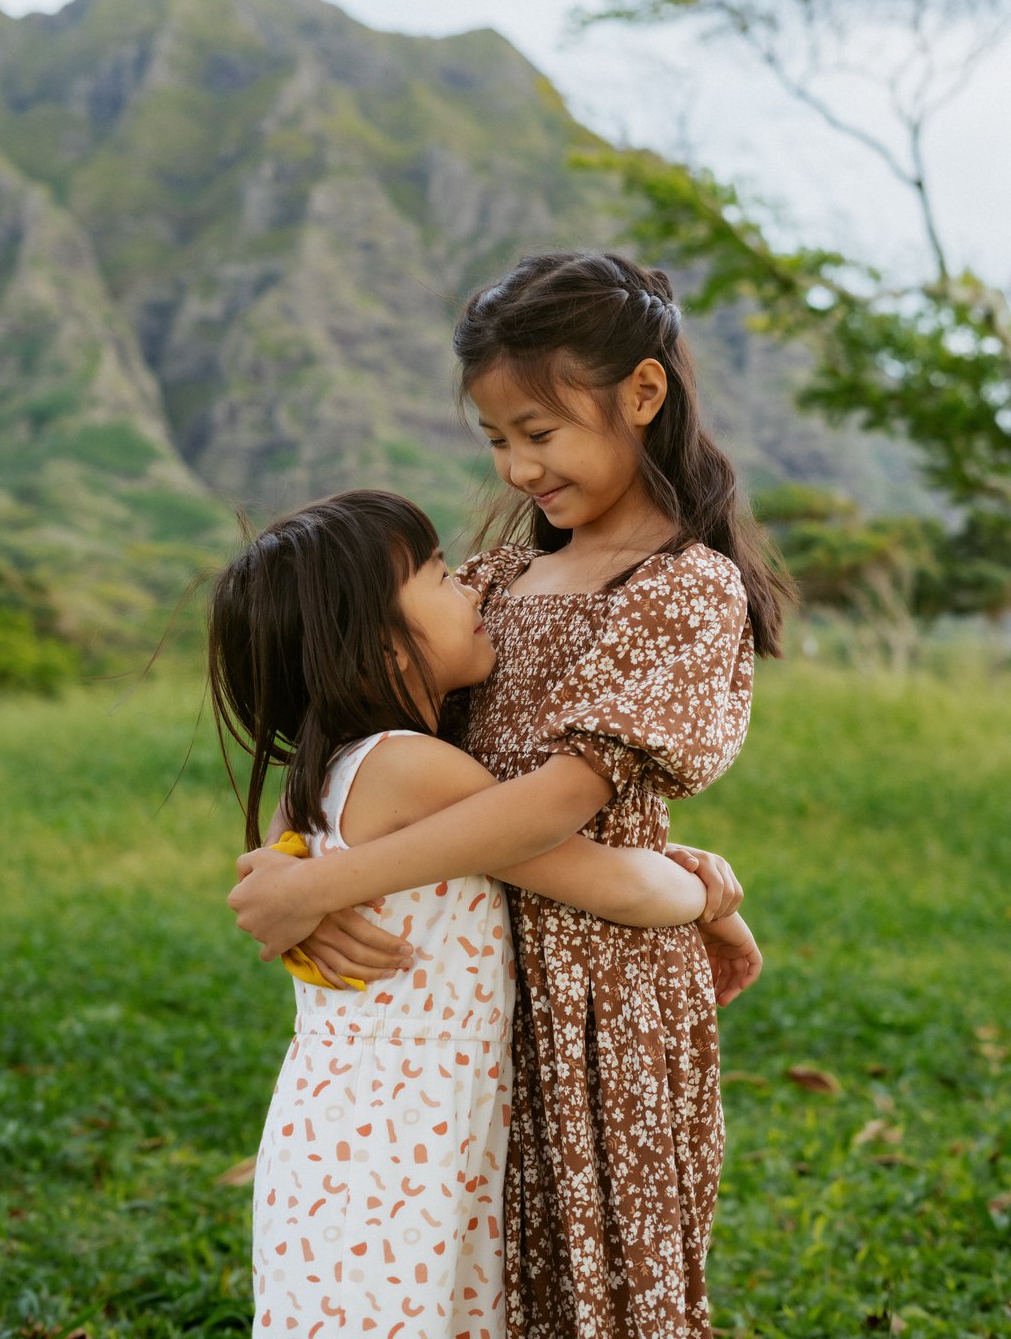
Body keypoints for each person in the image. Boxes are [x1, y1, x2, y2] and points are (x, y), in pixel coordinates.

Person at [228, 251, 783, 1338]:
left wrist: (336, 877)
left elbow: (554, 803)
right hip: (469, 1007)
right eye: (495, 440)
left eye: (540, 432)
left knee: (599, 1277)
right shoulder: (489, 581)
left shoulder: (677, 588)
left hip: (599, 992)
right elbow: (347, 728)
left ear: (641, 394)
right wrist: (289, 866)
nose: (518, 467)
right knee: (478, 1274)